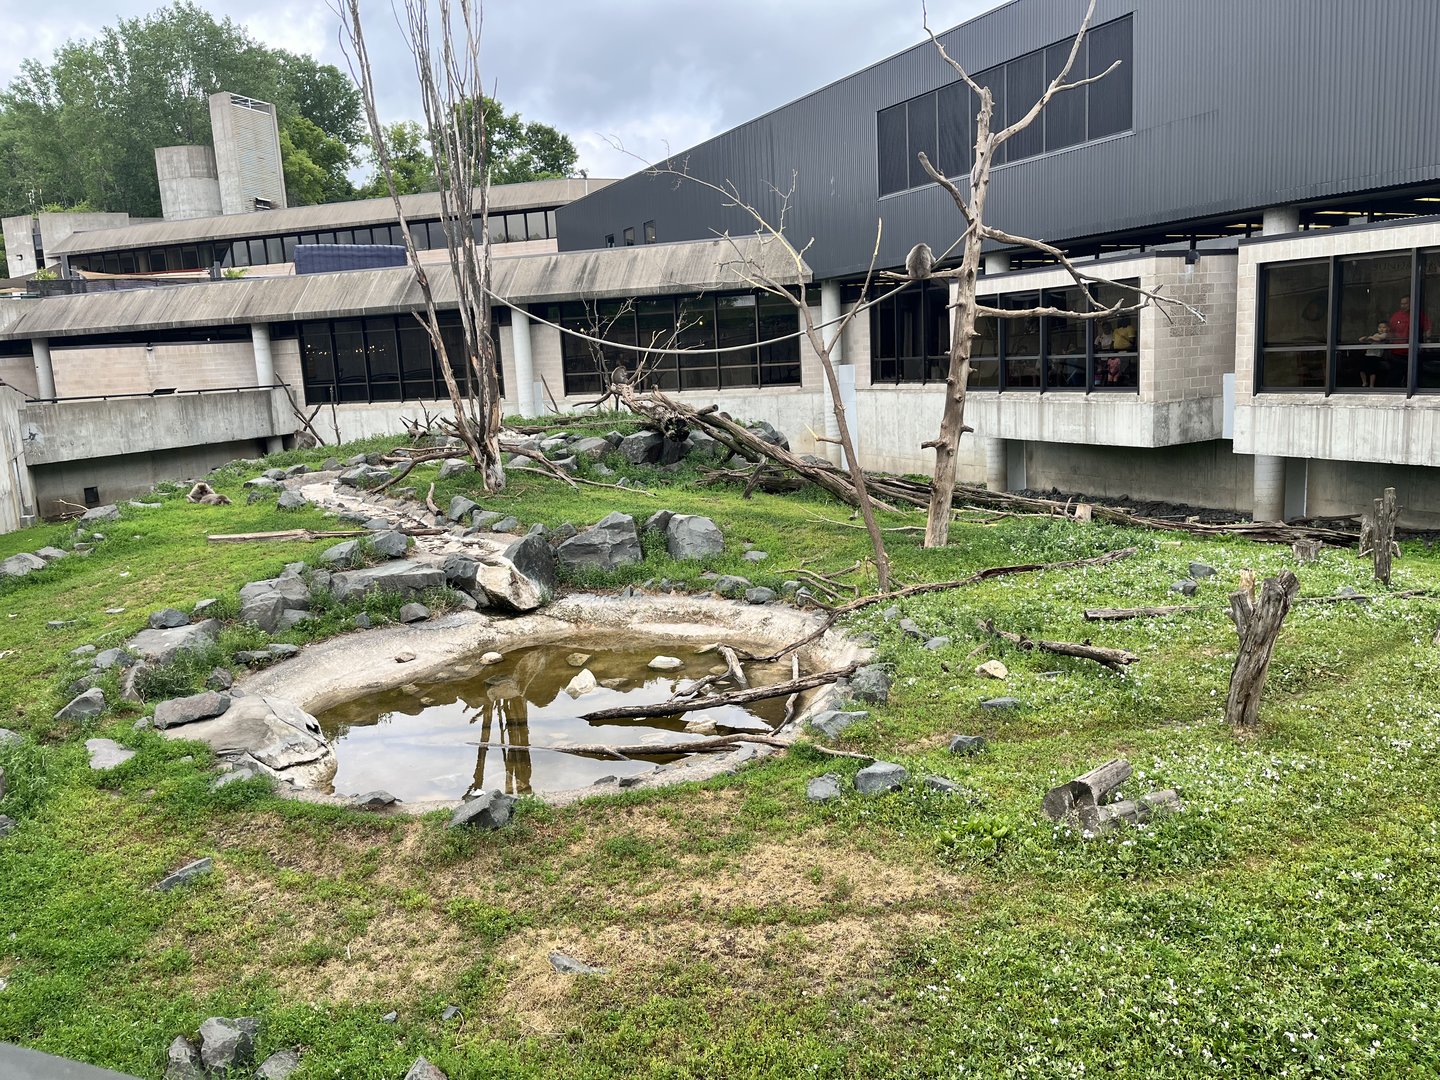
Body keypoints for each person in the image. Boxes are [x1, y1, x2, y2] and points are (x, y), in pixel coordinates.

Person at [1358, 321, 1389, 387]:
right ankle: (1364, 382)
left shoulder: (1385, 335)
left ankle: (1371, 385)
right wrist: (1364, 339)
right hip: (1368, 354)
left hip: (1376, 355)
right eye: (1380, 327)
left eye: (1384, 327)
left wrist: (1371, 337)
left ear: (1387, 329)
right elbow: (1368, 340)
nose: (1381, 329)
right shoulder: (1375, 334)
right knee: (1361, 369)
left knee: (1372, 370)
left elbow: (1379, 339)